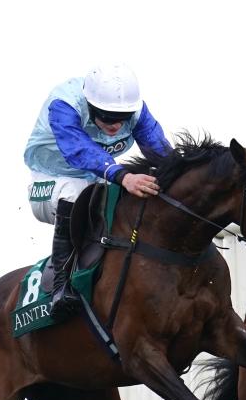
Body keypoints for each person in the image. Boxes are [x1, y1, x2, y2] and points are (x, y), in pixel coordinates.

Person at [23, 64, 173, 319]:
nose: (116, 125)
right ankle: (61, 286)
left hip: (96, 177)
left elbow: (160, 151)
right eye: (106, 116)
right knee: (76, 191)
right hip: (48, 181)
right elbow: (78, 150)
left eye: (122, 117)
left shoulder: (136, 110)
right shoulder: (64, 104)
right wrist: (124, 176)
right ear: (90, 105)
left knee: (128, 195)